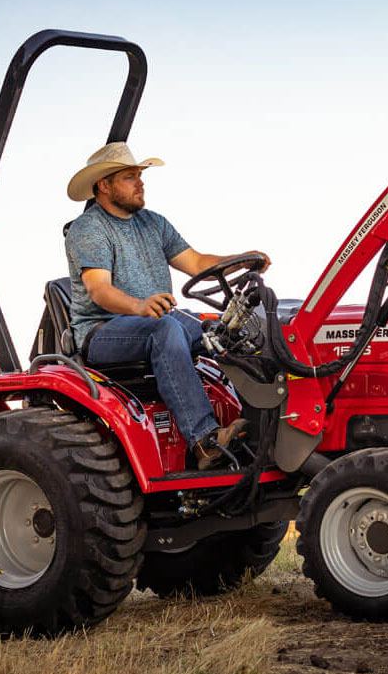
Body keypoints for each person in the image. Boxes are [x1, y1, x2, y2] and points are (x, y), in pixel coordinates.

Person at [64, 142, 271, 469]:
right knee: (165, 329)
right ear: (104, 186)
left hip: (157, 317)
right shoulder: (88, 228)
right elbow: (98, 289)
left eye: (139, 176)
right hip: (103, 331)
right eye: (130, 177)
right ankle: (205, 440)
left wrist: (242, 260)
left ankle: (265, 423)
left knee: (224, 331)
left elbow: (197, 262)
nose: (140, 182)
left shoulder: (153, 223)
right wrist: (140, 306)